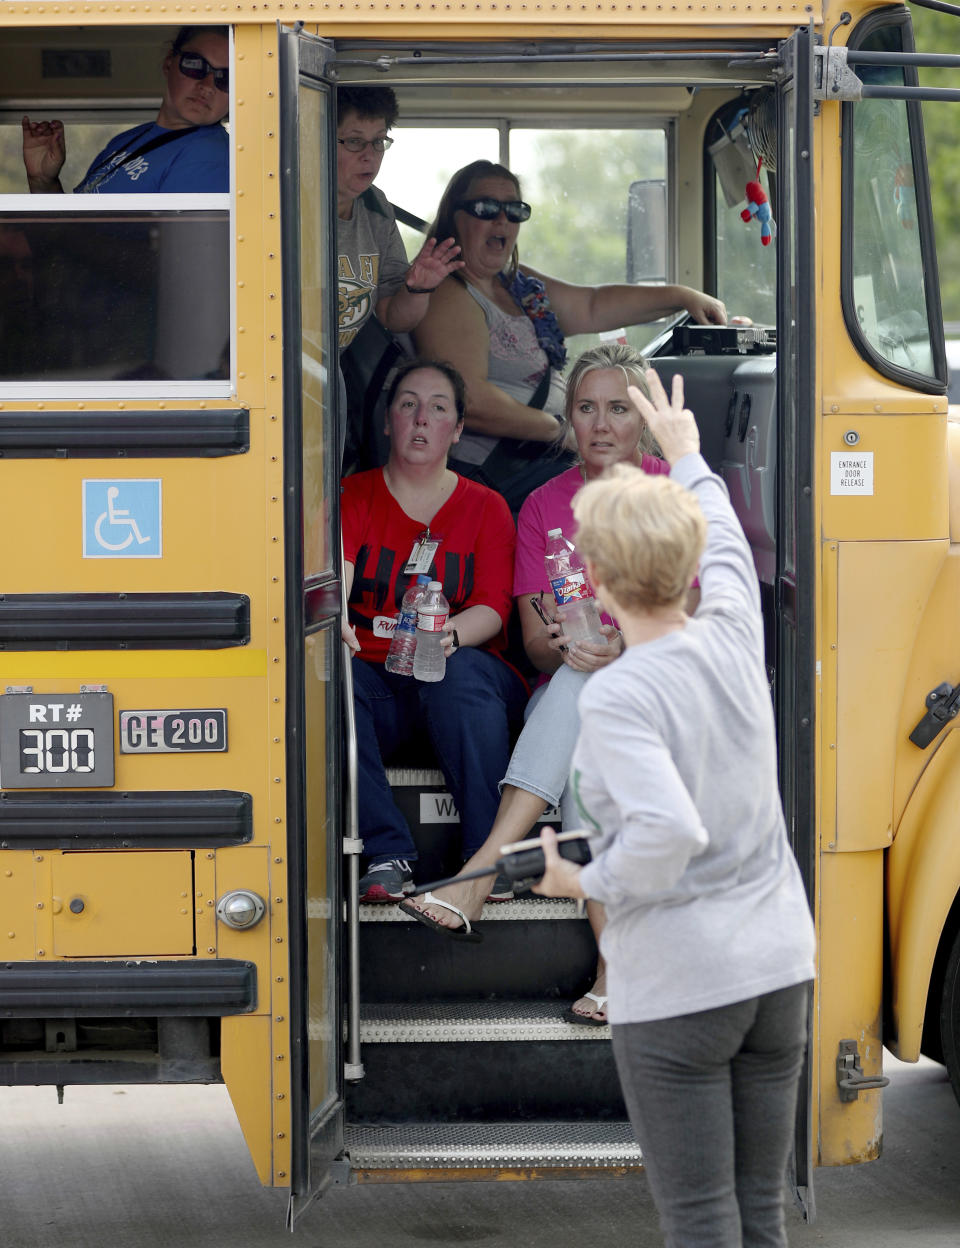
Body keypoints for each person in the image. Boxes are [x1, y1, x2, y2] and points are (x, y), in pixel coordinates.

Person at [532, 370, 817, 1247]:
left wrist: (576, 875)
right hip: (779, 969)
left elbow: (665, 835)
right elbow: (728, 541)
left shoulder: (619, 696)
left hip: (684, 981)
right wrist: (687, 454)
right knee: (759, 1210)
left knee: (697, 1219)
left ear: (602, 577)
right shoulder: (735, 634)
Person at [398, 343, 693, 995]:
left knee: (599, 703)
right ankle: (613, 971)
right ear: (570, 418)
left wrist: (622, 652)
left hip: (661, 695)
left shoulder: (672, 495)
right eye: (586, 408)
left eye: (618, 408)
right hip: (564, 695)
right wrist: (568, 646)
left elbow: (689, 626)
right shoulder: (543, 507)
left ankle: (484, 868)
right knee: (589, 712)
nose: (602, 424)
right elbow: (532, 644)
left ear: (641, 420)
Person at [413, 160, 727, 512]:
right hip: (499, 473)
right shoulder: (447, 293)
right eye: (486, 208)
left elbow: (592, 305)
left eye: (515, 210)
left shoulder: (515, 282)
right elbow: (469, 401)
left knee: (658, 479)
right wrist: (562, 432)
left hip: (545, 455)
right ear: (454, 217)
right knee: (643, 497)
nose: (502, 220)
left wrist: (683, 297)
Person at [342, 358, 527, 909]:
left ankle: (484, 860)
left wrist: (445, 637)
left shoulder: (487, 506)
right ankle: (387, 855)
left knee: (459, 670)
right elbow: (341, 575)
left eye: (438, 409)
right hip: (377, 685)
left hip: (460, 688)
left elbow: (495, 608)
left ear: (458, 429)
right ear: (387, 421)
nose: (421, 419)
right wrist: (338, 628)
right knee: (329, 673)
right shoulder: (354, 495)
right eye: (407, 405)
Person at [22, 27, 230, 194]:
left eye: (226, 78)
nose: (207, 86)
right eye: (195, 65)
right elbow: (70, 234)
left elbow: (182, 246)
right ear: (169, 63)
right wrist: (42, 180)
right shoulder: (126, 140)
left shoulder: (209, 155)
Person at [336, 86, 462, 352]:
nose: (369, 155)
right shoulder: (287, 207)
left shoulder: (376, 206)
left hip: (330, 381)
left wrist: (418, 289)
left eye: (379, 141)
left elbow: (393, 317)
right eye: (355, 141)